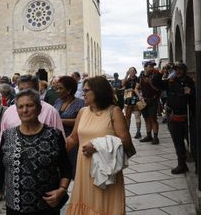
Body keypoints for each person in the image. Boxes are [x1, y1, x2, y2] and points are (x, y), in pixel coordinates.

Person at [0, 89, 71, 215]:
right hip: (15, 207)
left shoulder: (54, 135)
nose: (24, 110)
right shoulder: (8, 135)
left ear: (39, 108)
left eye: (29, 105)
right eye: (20, 107)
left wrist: (62, 189)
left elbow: (66, 167)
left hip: (46, 206)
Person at [65, 76, 133, 214]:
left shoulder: (114, 111)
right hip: (84, 168)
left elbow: (125, 141)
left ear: (98, 91)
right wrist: (53, 152)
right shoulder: (82, 112)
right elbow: (73, 138)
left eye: (86, 90)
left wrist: (96, 145)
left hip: (105, 169)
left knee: (103, 205)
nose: (83, 93)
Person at [0, 75, 65, 144]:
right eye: (21, 90)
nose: (25, 93)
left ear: (37, 90)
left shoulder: (51, 112)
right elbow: (3, 140)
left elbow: (60, 142)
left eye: (29, 90)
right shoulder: (9, 112)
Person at [160, 63, 195, 174]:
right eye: (176, 69)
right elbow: (157, 83)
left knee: (193, 142)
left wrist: (191, 93)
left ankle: (198, 164)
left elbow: (195, 99)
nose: (178, 71)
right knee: (178, 142)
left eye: (180, 69)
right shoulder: (171, 81)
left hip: (187, 117)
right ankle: (182, 164)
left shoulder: (190, 82)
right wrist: (163, 70)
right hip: (173, 117)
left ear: (184, 70)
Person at [53, 76, 85, 178]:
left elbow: (82, 121)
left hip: (74, 140)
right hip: (58, 139)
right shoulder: (58, 101)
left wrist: (61, 121)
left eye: (60, 88)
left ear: (69, 90)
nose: (57, 91)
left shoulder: (81, 103)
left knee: (75, 170)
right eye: (56, 88)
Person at [136, 61, 163, 144]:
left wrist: (150, 83)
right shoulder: (140, 77)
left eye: (153, 66)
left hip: (153, 100)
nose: (152, 68)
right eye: (150, 66)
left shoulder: (155, 76)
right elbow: (136, 88)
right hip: (144, 101)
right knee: (146, 119)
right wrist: (139, 96)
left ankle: (156, 137)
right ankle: (149, 136)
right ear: (145, 67)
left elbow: (158, 90)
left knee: (153, 119)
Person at [122, 67, 142, 138]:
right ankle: (127, 132)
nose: (132, 72)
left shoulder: (138, 78)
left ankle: (138, 132)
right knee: (127, 116)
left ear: (135, 72)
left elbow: (137, 87)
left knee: (137, 115)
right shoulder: (127, 79)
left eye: (133, 71)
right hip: (128, 99)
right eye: (130, 71)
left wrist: (132, 90)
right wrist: (126, 75)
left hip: (135, 98)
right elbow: (123, 84)